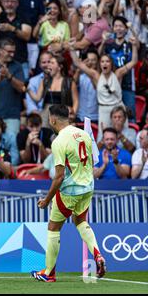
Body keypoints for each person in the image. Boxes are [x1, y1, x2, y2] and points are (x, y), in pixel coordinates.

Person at [32, 104, 106, 283]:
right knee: (80, 221)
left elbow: (58, 177)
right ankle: (97, 255)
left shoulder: (58, 141)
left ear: (53, 119)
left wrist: (46, 201)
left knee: (53, 227)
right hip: (88, 187)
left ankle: (48, 273)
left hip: (70, 191)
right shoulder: (84, 134)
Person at [70, 42, 138, 138]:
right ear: (100, 64)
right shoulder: (96, 76)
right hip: (103, 110)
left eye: (107, 61)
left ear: (111, 63)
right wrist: (72, 48)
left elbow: (134, 62)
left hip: (118, 108)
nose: (105, 63)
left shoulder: (118, 74)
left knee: (122, 135)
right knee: (103, 137)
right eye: (102, 61)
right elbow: (78, 63)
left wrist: (134, 45)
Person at [0, 38, 26, 140]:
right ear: (0, 51)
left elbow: (22, 88)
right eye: (9, 51)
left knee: (12, 146)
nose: (12, 54)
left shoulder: (18, 66)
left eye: (13, 52)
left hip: (11, 115)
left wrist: (9, 76)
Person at [27, 54, 79, 126]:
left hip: (61, 114)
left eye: (52, 63)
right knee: (46, 135)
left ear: (60, 67)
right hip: (46, 114)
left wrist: (72, 114)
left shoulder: (69, 82)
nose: (48, 65)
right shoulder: (45, 81)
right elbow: (37, 98)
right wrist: (28, 90)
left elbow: (75, 101)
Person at [0, 0, 32, 80]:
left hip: (20, 61)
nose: (9, 4)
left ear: (17, 3)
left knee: (22, 88)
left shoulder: (23, 16)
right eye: (7, 1)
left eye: (12, 2)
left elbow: (27, 36)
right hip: (1, 62)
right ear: (2, 3)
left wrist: (11, 28)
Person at [75, 49, 99, 123]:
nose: (90, 62)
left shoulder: (100, 77)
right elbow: (72, 85)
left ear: (98, 62)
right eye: (88, 60)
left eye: (93, 60)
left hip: (95, 116)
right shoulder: (80, 76)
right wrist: (79, 69)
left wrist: (90, 72)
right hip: (80, 116)